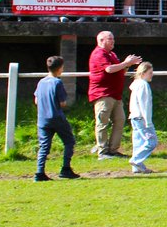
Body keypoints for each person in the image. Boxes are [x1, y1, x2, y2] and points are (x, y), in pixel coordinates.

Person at [88, 31, 142, 159]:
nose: (113, 41)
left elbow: (120, 71)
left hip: (115, 94)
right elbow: (109, 69)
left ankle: (113, 150)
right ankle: (102, 151)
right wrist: (125, 63)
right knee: (103, 122)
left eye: (113, 38)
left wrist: (128, 65)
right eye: (110, 39)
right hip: (103, 94)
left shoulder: (111, 54)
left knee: (120, 120)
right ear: (101, 40)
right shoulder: (99, 53)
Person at [34, 55, 80, 182]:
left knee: (44, 146)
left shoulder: (41, 82)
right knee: (69, 141)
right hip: (56, 117)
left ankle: (39, 172)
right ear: (60, 68)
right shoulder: (57, 82)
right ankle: (65, 168)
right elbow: (62, 103)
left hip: (42, 119)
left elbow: (37, 100)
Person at [128, 61, 158, 174]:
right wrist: (148, 122)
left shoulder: (136, 84)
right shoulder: (143, 85)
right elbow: (144, 104)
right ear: (143, 73)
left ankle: (137, 168)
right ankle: (136, 160)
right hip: (141, 118)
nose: (152, 75)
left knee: (138, 143)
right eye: (150, 72)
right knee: (152, 142)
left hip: (134, 117)